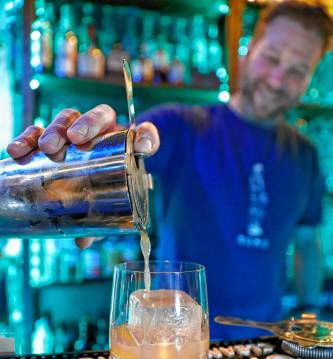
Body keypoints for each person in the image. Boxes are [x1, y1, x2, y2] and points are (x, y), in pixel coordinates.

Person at [7, 1, 333, 339]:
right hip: (175, 342)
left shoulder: (305, 155)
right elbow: (132, 144)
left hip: (265, 343)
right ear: (247, 52)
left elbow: (308, 241)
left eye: (298, 70)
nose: (279, 79)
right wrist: (80, 153)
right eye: (272, 57)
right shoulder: (181, 125)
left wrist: (308, 316)